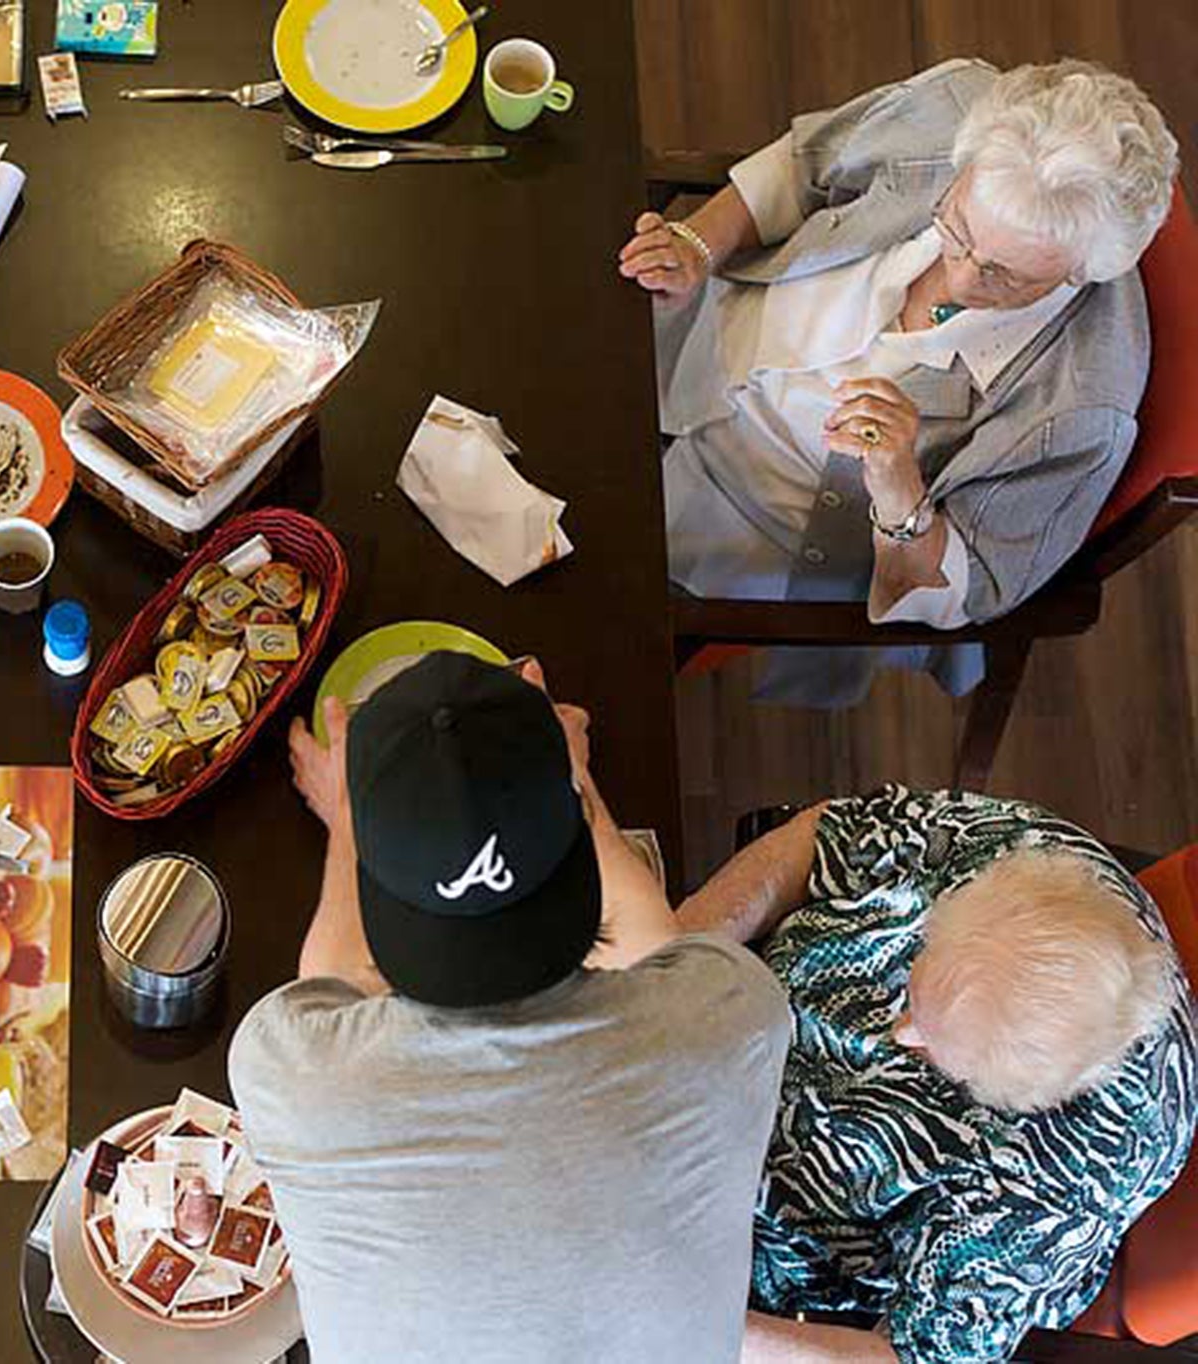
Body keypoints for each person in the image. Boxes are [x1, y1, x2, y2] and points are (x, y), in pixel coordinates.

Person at [226, 652, 793, 1363]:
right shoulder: (736, 1018)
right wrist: (571, 778)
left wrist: (350, 819)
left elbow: (329, 987)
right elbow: (653, 947)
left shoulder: (289, 1078)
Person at [622, 59, 1180, 705]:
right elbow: (803, 165)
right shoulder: (952, 110)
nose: (963, 282)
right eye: (956, 230)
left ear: (1085, 272)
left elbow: (968, 591)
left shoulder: (1080, 407)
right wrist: (696, 244)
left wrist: (897, 486)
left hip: (739, 526)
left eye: (1009, 277)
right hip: (679, 338)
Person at [670, 786, 1198, 1363]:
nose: (901, 1033)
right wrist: (675, 956)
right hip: (702, 1029)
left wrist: (694, 1329)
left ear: (1008, 1098)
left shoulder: (1042, 1188)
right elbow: (828, 836)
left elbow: (908, 1356)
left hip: (735, 1234)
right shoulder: (1026, 855)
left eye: (931, 1043)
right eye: (922, 964)